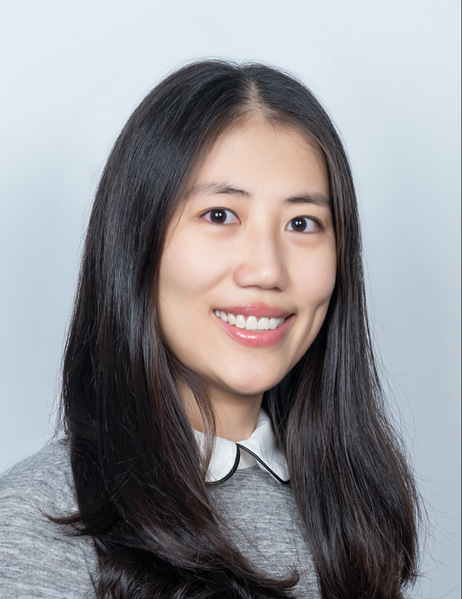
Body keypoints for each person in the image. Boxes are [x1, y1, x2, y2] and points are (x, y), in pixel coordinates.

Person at [0, 60, 419, 598]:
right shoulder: (38, 525)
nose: (267, 270)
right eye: (220, 215)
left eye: (302, 223)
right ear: (137, 242)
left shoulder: (354, 507)